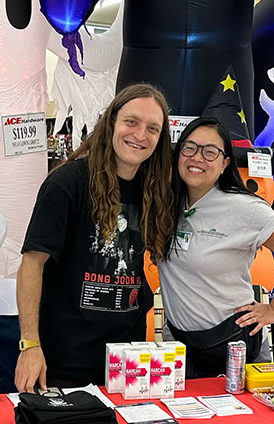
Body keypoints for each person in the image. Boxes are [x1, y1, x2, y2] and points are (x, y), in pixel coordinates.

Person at [15, 83, 174, 392]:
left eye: (152, 128)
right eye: (131, 122)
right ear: (111, 121)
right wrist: (29, 344)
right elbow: (31, 265)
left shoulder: (153, 190)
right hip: (64, 366)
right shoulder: (68, 183)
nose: (140, 135)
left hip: (127, 364)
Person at [158, 117, 274, 378]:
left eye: (210, 152)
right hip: (180, 345)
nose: (197, 158)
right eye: (189, 148)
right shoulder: (167, 202)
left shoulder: (245, 208)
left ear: (225, 163)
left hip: (230, 345)